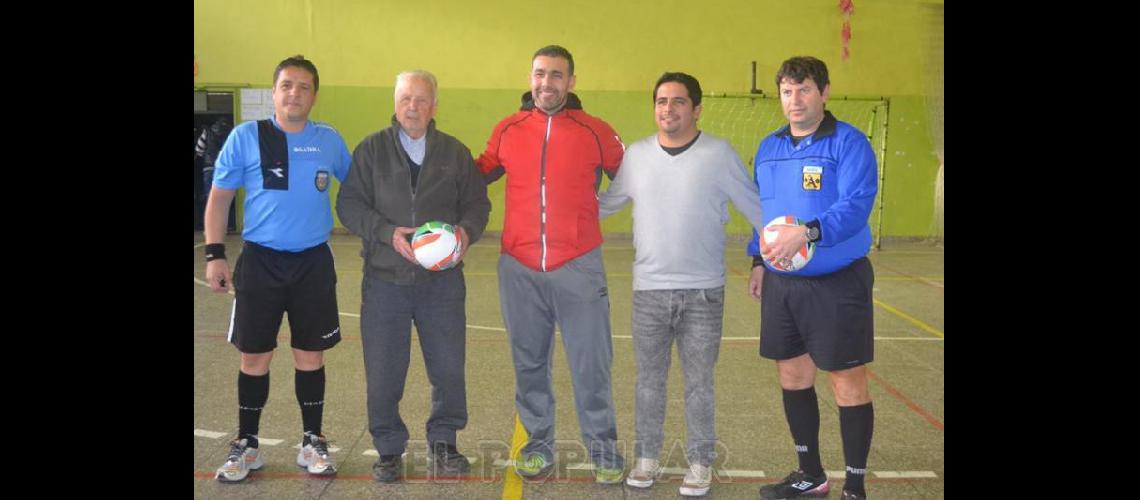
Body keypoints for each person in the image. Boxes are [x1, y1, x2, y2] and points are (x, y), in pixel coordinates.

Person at [598, 72, 764, 497]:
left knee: (699, 382)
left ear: (696, 108)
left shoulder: (720, 154)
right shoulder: (636, 156)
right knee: (649, 381)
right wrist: (555, 203)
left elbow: (758, 209)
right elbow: (605, 206)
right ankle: (647, 458)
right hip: (649, 291)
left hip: (704, 292)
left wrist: (767, 255)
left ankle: (700, 462)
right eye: (661, 101)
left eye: (677, 101)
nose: (667, 109)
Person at [475, 45, 626, 484]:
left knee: (590, 363)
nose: (547, 83)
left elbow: (636, 177)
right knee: (528, 362)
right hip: (518, 268)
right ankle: (538, 445)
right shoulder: (508, 129)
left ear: (572, 81)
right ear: (530, 77)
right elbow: (475, 174)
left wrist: (601, 209)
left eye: (557, 75)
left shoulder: (595, 131)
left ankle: (603, 449)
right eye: (540, 73)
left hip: (579, 266)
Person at [336, 70, 490, 483]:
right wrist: (386, 233)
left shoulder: (455, 153)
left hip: (442, 285)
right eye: (406, 98)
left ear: (435, 106)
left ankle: (444, 442)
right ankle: (388, 449)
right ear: (395, 102)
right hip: (385, 281)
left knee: (448, 367)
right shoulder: (371, 150)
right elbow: (348, 205)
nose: (413, 107)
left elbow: (478, 204)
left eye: (422, 100)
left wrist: (465, 233)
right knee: (384, 370)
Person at [204, 55, 351, 483]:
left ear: (314, 95)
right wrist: (215, 254)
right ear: (274, 92)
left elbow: (359, 187)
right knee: (255, 357)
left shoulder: (329, 140)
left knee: (310, 354)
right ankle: (247, 444)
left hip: (313, 263)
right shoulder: (245, 136)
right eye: (287, 85)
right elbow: (220, 198)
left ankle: (312, 441)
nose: (295, 93)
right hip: (261, 263)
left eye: (304, 87)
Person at [747, 56, 878, 500]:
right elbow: (762, 213)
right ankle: (811, 474)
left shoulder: (849, 143)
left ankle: (855, 486)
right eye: (787, 91)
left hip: (837, 282)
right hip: (783, 285)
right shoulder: (769, 147)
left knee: (846, 379)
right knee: (793, 376)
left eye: (804, 90)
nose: (795, 99)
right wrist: (758, 261)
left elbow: (857, 205)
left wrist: (808, 233)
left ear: (823, 92)